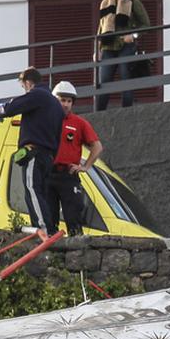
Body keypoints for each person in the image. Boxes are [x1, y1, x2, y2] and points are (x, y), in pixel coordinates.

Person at [0, 68, 64, 236]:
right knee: (42, 193)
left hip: (35, 152)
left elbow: (12, 107)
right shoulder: (56, 104)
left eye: (24, 87)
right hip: (48, 155)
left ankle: (44, 229)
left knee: (32, 189)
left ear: (27, 83)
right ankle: (49, 227)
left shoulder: (37, 94)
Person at [48, 81, 104, 236]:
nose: (65, 104)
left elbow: (97, 147)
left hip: (68, 175)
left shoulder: (79, 123)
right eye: (62, 100)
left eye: (69, 101)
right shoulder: (46, 120)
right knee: (48, 222)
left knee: (74, 219)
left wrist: (85, 166)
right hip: (48, 174)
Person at [95, 0, 151, 111]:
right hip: (108, 47)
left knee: (126, 80)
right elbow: (100, 28)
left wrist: (133, 35)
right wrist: (97, 49)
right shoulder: (104, 3)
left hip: (126, 47)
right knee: (103, 82)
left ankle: (127, 112)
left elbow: (146, 24)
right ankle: (98, 114)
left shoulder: (133, 1)